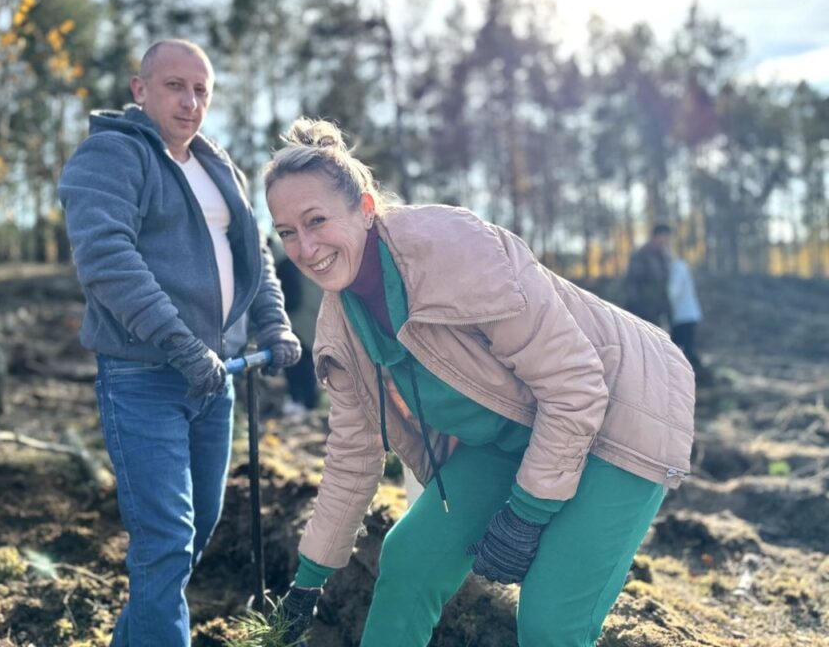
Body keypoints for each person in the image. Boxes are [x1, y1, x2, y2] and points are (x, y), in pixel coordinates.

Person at [264, 118, 695, 647]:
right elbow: (353, 455)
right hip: (514, 430)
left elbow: (576, 386)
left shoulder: (458, 252)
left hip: (621, 412)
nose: (305, 248)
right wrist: (308, 580)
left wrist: (527, 513)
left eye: (316, 221)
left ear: (367, 208)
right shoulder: (340, 328)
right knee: (410, 558)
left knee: (550, 623)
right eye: (287, 233)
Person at [58, 39, 300, 647]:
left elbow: (256, 258)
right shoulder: (110, 155)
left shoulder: (220, 166)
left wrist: (273, 324)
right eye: (174, 86)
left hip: (214, 382)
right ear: (140, 89)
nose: (190, 102)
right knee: (165, 540)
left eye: (202, 90)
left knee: (192, 536)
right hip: (144, 378)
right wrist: (181, 342)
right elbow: (107, 260)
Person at [273, 239, 323, 415]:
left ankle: (303, 402)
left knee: (297, 365)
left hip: (295, 322)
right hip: (305, 319)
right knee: (304, 363)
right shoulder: (297, 262)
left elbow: (292, 298)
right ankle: (309, 402)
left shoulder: (284, 265)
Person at [624, 224, 673, 325]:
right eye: (664, 237)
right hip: (643, 309)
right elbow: (633, 282)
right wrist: (636, 307)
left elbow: (665, 283)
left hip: (658, 309)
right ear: (656, 236)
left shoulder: (664, 257)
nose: (666, 241)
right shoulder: (641, 254)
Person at [668, 255, 704, 377]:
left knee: (682, 349)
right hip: (685, 315)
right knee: (683, 348)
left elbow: (673, 292)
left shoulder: (677, 268)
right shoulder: (680, 266)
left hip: (683, 316)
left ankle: (697, 374)